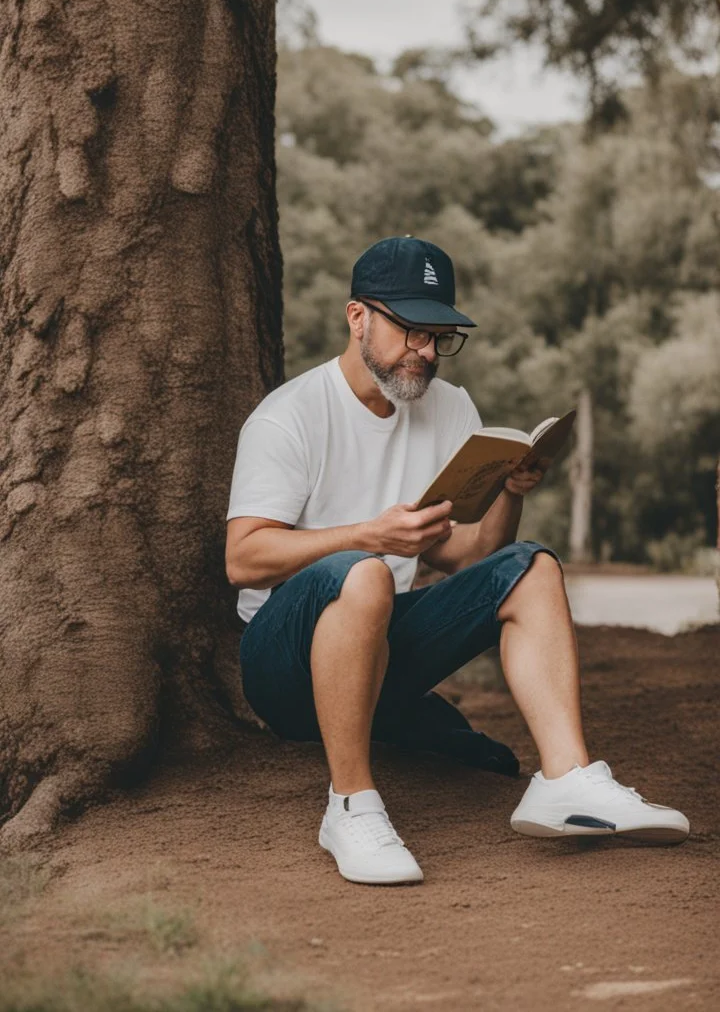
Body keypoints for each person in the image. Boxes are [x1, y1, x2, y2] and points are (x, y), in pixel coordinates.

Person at [225, 236, 689, 885]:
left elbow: (471, 554)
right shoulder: (289, 418)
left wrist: (509, 490)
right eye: (410, 331)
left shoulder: (449, 407)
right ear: (357, 317)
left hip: (381, 645)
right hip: (283, 664)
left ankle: (567, 780)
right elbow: (243, 560)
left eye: (439, 335)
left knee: (532, 566)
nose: (424, 352)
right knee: (361, 570)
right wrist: (368, 535)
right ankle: (351, 807)